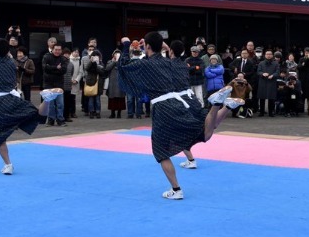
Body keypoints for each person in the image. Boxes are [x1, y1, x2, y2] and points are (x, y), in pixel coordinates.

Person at [116, 32, 244, 199]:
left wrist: (126, 45)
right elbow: (171, 55)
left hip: (163, 109)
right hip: (181, 102)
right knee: (204, 134)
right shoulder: (169, 62)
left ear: (147, 46)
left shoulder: (145, 65)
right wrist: (156, 45)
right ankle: (221, 106)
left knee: (161, 152)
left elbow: (122, 65)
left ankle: (176, 189)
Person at [0, 38, 63, 175]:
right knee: (37, 114)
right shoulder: (11, 63)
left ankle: (8, 165)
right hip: (14, 99)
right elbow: (6, 53)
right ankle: (47, 99)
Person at [41, 42, 68, 126]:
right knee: (50, 104)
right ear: (52, 49)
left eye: (59, 50)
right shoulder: (46, 57)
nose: (57, 51)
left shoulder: (63, 59)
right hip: (48, 84)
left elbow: (63, 70)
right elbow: (45, 68)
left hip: (59, 85)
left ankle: (60, 120)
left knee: (60, 104)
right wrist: (56, 68)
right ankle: (51, 120)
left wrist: (51, 68)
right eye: (56, 49)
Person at [256, 49, 279, 117]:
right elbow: (258, 71)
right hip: (263, 81)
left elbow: (277, 72)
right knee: (262, 97)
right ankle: (261, 112)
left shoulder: (276, 63)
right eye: (267, 54)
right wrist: (263, 74)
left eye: (270, 54)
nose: (268, 55)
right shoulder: (261, 63)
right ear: (265, 55)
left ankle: (270, 112)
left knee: (271, 98)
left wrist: (273, 75)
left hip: (272, 81)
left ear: (272, 55)